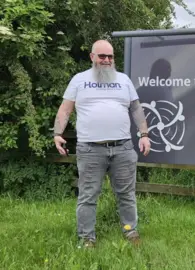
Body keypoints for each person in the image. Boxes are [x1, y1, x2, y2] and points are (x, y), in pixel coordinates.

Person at [52, 39, 151, 248]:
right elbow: (65, 109)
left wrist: (144, 134)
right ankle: (87, 238)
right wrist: (58, 133)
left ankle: (130, 231)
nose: (107, 60)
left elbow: (136, 109)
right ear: (92, 57)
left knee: (126, 194)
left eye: (110, 56)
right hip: (90, 149)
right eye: (102, 56)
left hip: (123, 147)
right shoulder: (79, 80)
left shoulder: (124, 80)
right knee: (88, 195)